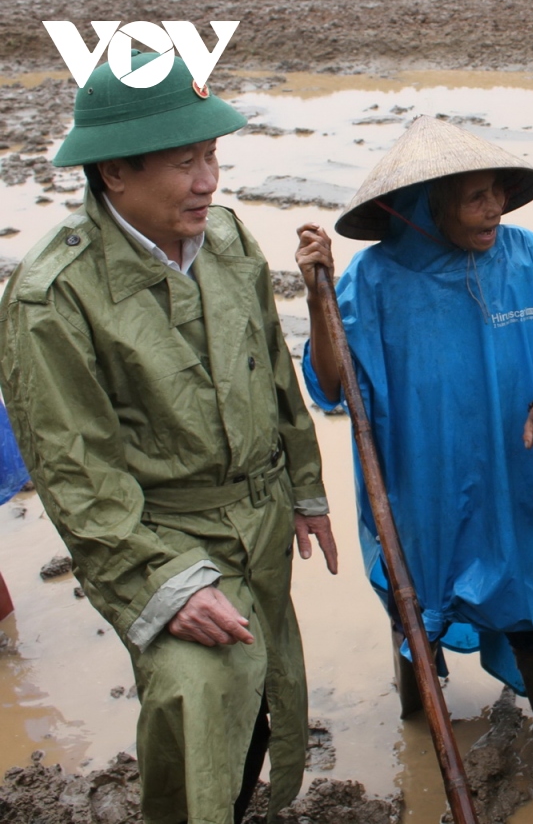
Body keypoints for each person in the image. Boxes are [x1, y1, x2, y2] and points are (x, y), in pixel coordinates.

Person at [0, 51, 338, 824]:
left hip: (257, 515)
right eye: (184, 162)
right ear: (114, 173)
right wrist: (165, 581)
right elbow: (76, 474)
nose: (208, 180)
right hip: (161, 533)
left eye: (212, 154)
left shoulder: (227, 241)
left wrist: (305, 484)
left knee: (262, 688)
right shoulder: (52, 298)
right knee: (197, 690)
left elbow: (273, 374)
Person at [295, 115, 533, 764]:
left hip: (517, 479)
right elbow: (331, 382)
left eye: (497, 193)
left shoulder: (526, 254)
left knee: (530, 610)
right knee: (418, 608)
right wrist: (318, 298)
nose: (494, 209)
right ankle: (417, 715)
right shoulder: (375, 279)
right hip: (424, 487)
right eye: (475, 197)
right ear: (431, 203)